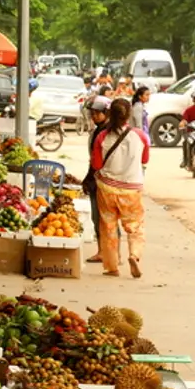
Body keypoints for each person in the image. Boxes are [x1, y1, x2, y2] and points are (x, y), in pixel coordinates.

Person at [91, 97, 151, 278]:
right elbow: (145, 160)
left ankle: (112, 267)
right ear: (128, 115)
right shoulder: (140, 136)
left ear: (110, 114)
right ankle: (134, 255)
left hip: (107, 188)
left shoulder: (102, 136)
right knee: (135, 226)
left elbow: (96, 164)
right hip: (131, 190)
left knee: (108, 228)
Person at [83, 95, 113, 263]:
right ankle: (107, 251)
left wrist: (88, 179)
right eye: (92, 113)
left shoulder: (103, 132)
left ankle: (104, 251)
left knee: (100, 217)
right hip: (102, 178)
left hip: (100, 179)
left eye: (97, 113)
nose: (94, 117)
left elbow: (97, 160)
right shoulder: (101, 130)